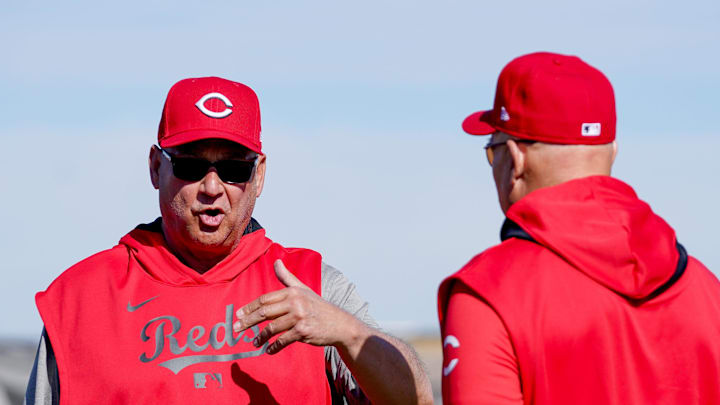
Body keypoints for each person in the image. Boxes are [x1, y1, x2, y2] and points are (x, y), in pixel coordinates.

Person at [25, 76, 433, 405]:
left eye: (234, 169)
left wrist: (348, 332)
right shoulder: (79, 298)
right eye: (190, 165)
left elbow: (415, 399)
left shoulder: (311, 287)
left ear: (259, 176)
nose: (212, 187)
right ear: (155, 168)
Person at [437, 52, 720, 404]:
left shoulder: (488, 294)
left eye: (492, 151)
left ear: (515, 159)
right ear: (612, 151)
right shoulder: (706, 290)